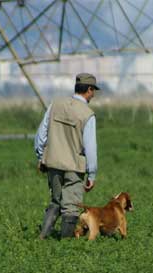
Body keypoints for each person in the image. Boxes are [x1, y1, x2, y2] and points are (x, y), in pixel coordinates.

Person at [35, 73, 99, 239]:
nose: (93, 95)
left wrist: (41, 157)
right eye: (94, 91)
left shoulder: (55, 104)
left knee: (56, 201)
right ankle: (66, 246)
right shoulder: (87, 114)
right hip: (74, 167)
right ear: (89, 89)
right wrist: (91, 174)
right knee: (71, 207)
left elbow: (41, 134)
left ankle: (43, 237)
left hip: (52, 163)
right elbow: (90, 148)